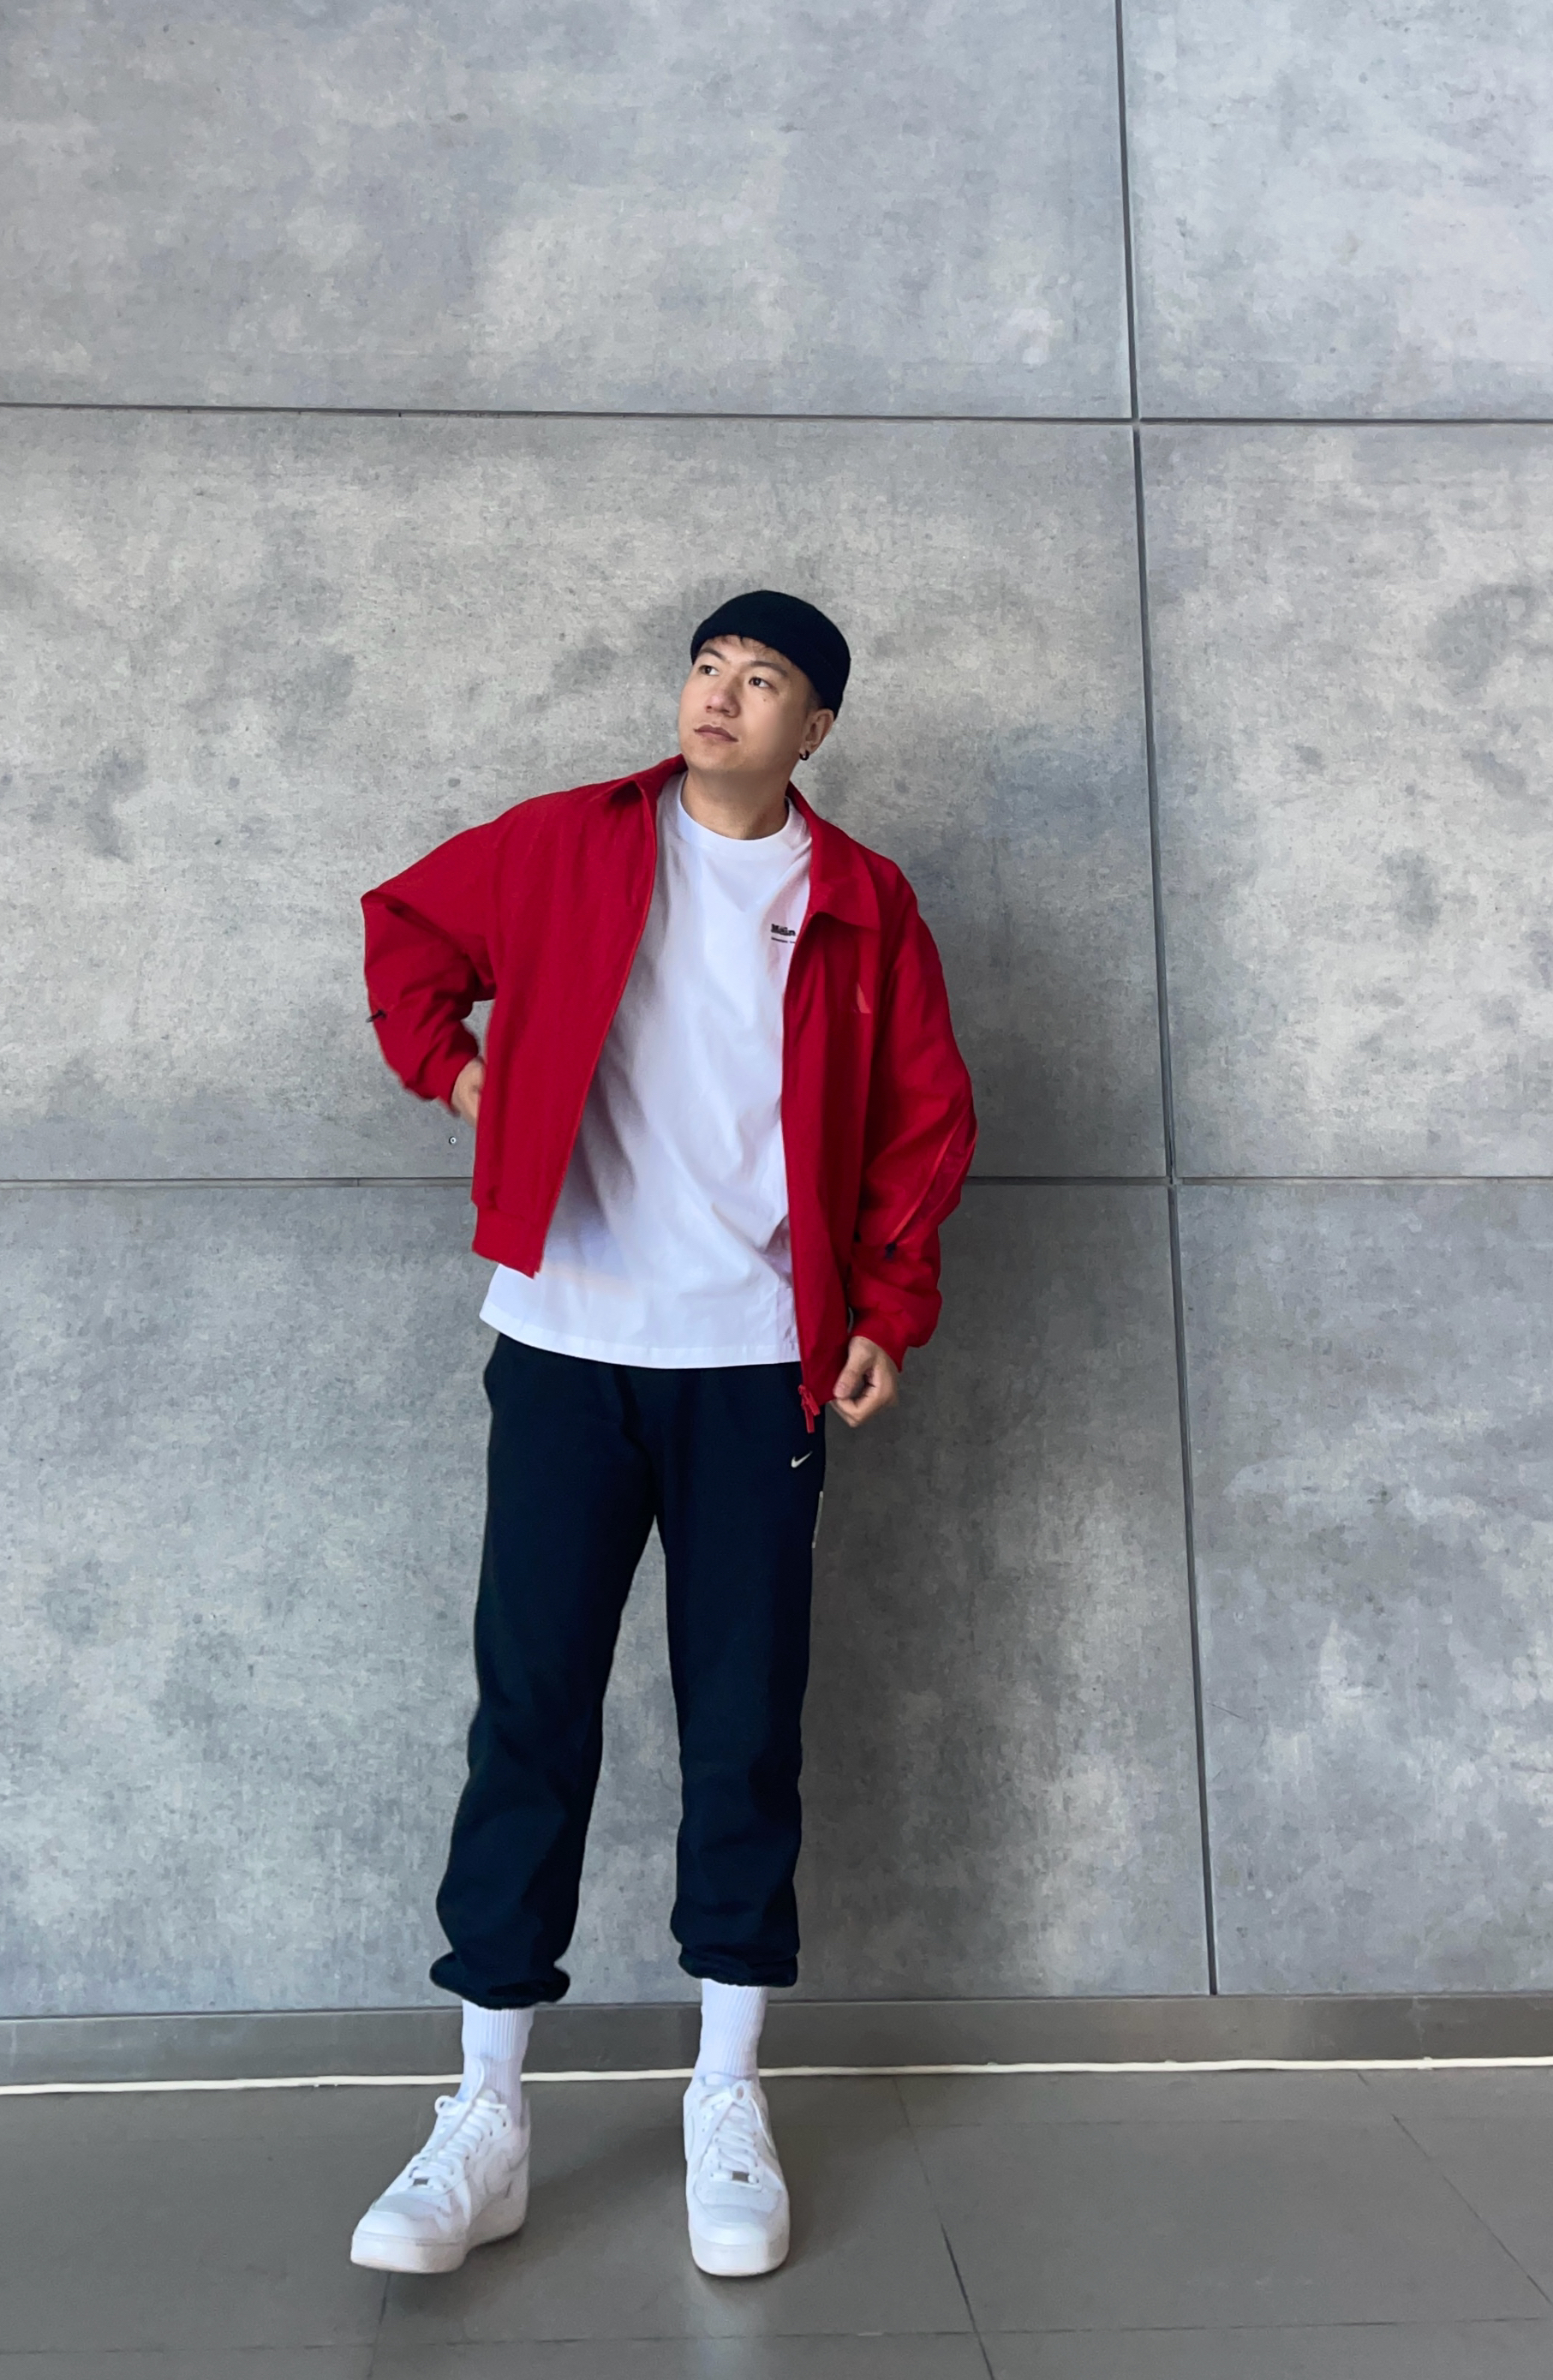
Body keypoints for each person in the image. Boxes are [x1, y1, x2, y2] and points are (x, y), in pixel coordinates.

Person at [349, 590, 975, 2281]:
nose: (720, 694)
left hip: (756, 1364)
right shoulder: (568, 843)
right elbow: (405, 930)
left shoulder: (861, 900)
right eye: (708, 666)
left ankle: (726, 2092)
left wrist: (884, 1306)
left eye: (762, 680)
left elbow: (925, 1117)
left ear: (812, 729)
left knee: (742, 1726)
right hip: (566, 1346)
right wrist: (457, 1072)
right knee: (529, 1713)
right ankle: (485, 2114)